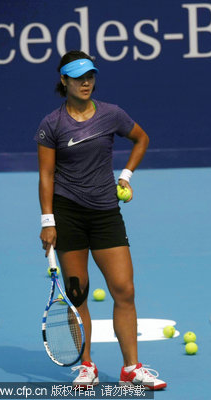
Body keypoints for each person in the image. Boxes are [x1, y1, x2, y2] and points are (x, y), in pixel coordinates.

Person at [35, 50, 166, 391]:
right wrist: (48, 220)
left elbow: (141, 138)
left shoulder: (111, 115)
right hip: (68, 215)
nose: (86, 82)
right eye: (78, 78)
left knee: (124, 289)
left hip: (106, 213)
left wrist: (125, 176)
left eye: (90, 76)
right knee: (77, 295)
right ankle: (87, 366)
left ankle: (131, 368)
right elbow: (46, 175)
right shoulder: (52, 124)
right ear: (64, 81)